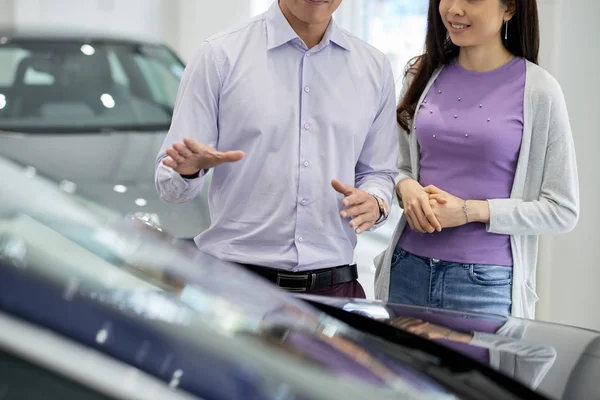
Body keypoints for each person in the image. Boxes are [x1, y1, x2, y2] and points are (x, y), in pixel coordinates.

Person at [155, 0, 399, 298]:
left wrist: (375, 203)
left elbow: (380, 172)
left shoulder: (374, 67)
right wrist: (188, 170)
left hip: (335, 291)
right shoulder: (220, 55)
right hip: (234, 290)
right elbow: (170, 186)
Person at [374, 0, 579, 318]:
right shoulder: (421, 73)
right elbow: (396, 168)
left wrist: (471, 211)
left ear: (509, 8)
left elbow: (562, 210)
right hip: (406, 270)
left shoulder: (539, 91)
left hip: (484, 286)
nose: (454, 9)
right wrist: (408, 188)